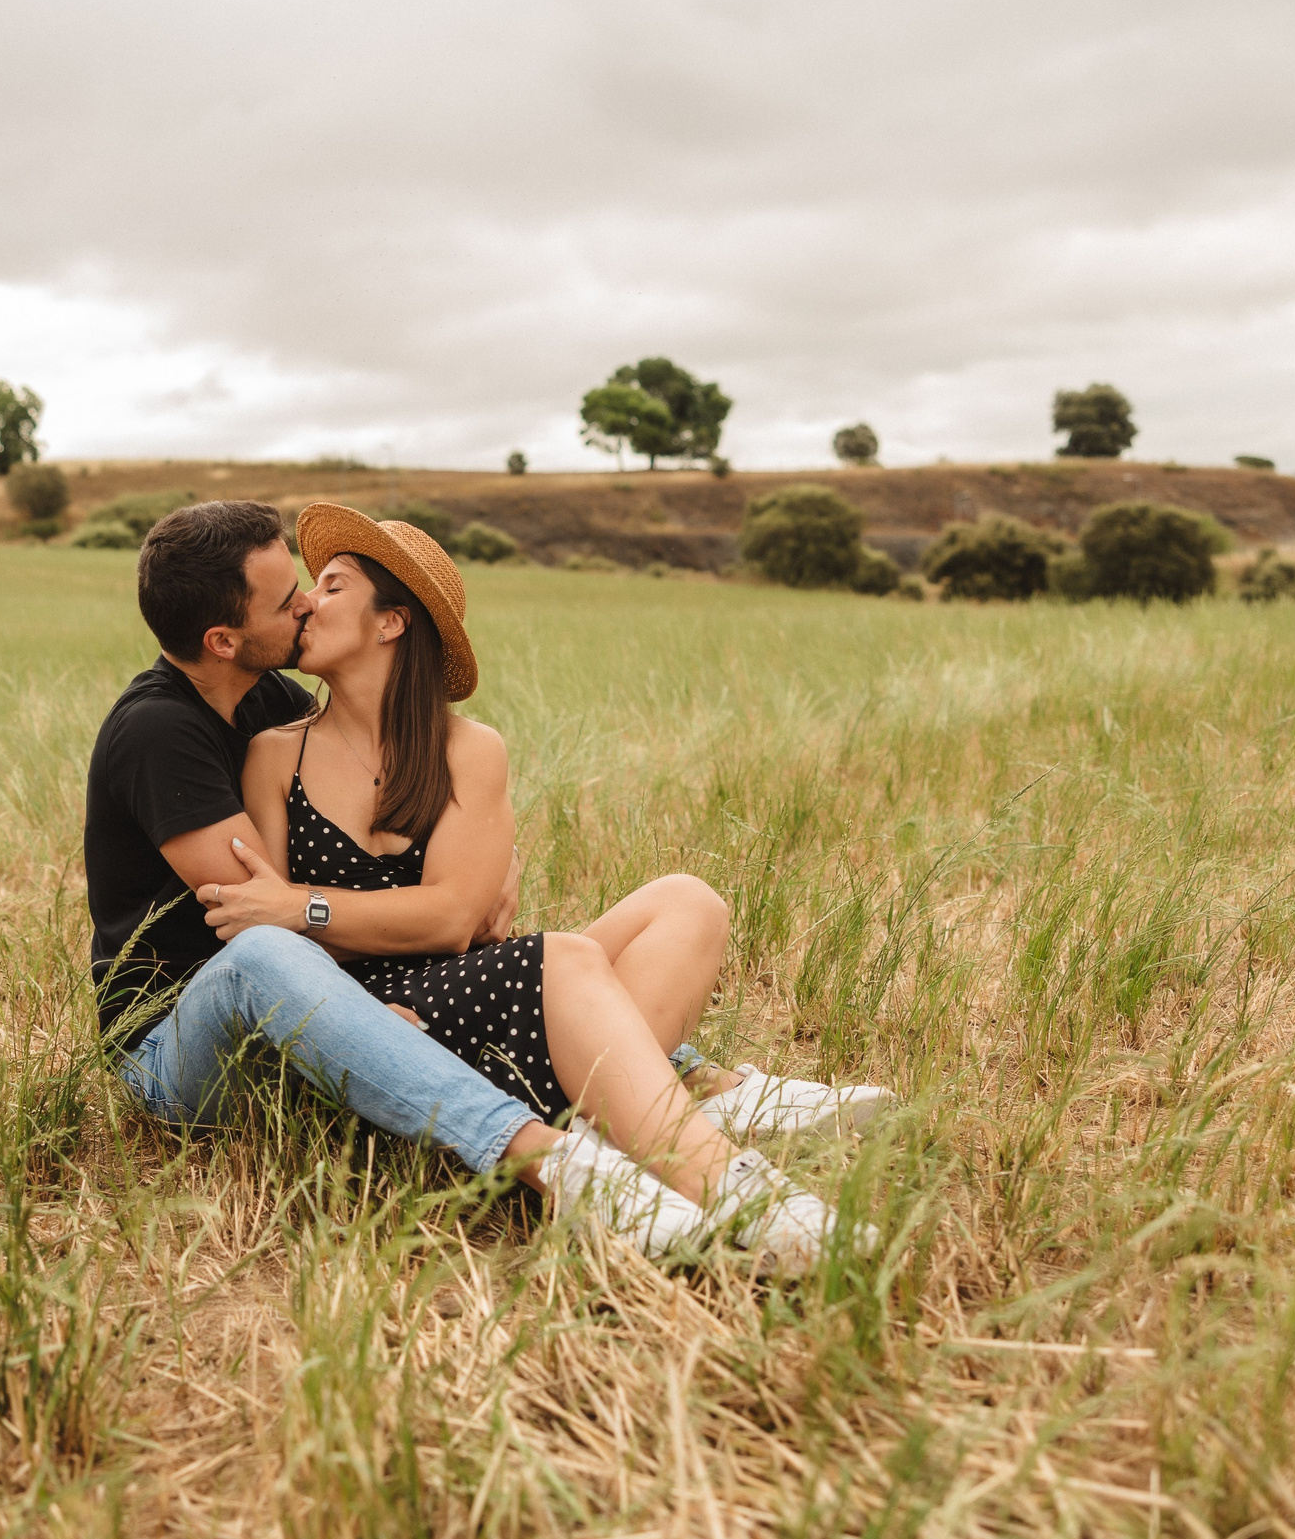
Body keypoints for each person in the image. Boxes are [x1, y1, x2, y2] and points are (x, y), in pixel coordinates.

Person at [195, 505, 892, 1264]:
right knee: (563, 959)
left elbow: (452, 920)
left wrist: (307, 905)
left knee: (689, 901)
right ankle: (733, 1185)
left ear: (391, 622)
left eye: (331, 585)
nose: (306, 602)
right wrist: (314, 931)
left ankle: (616, 1132)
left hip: (466, 986)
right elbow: (271, 935)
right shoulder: (275, 756)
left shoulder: (468, 748)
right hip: (374, 1021)